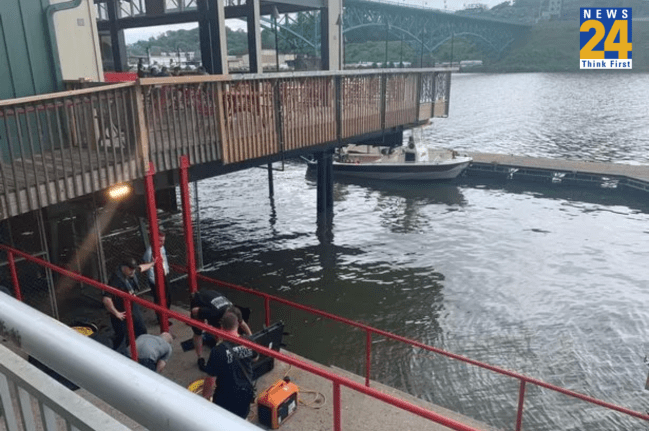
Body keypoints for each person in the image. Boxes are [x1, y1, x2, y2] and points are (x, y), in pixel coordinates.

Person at [201, 311, 257, 419]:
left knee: (223, 420)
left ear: (221, 327)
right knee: (241, 420)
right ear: (238, 325)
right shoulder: (249, 341)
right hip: (245, 394)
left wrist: (204, 397)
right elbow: (255, 358)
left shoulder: (218, 351)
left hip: (225, 397)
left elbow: (210, 380)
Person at [103, 258, 156, 351]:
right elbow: (106, 299)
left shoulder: (131, 273)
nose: (133, 271)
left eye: (133, 269)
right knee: (123, 336)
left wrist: (152, 263)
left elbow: (141, 268)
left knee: (141, 329)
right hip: (121, 310)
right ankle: (122, 353)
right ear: (124, 268)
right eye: (130, 269)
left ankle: (143, 350)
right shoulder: (115, 279)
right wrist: (116, 313)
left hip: (132, 306)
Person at [190, 290, 252, 369]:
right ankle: (200, 358)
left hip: (213, 299)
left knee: (218, 330)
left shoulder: (235, 311)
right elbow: (194, 311)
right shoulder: (213, 312)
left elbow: (243, 324)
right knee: (198, 331)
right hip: (198, 301)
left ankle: (219, 344)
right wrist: (200, 325)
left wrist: (252, 338)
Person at [142, 230, 171, 326]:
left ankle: (166, 313)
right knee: (159, 298)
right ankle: (161, 318)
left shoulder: (162, 248)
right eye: (160, 241)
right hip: (155, 278)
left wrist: (166, 271)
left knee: (168, 296)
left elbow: (164, 261)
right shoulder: (150, 252)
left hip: (164, 274)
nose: (162, 243)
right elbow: (147, 265)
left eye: (163, 240)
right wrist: (153, 280)